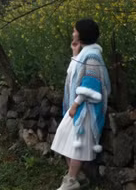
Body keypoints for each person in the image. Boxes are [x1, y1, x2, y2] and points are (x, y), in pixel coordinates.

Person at [51, 19, 110, 190]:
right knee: (64, 139)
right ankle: (77, 177)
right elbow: (74, 73)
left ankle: (71, 180)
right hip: (77, 108)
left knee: (78, 145)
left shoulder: (92, 56)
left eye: (75, 31)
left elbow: (90, 84)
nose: (73, 33)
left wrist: (76, 104)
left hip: (86, 109)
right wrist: (75, 52)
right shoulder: (85, 54)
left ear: (82, 34)